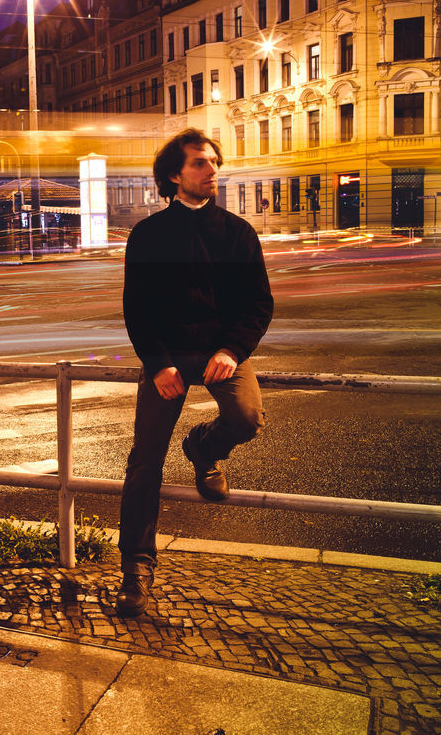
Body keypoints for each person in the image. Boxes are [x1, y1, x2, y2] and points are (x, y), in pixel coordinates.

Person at [116, 128, 274, 617]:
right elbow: (137, 309)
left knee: (246, 419)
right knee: (145, 463)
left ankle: (203, 447)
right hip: (167, 357)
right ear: (174, 175)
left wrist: (232, 349)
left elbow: (259, 304)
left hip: (221, 353)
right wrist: (159, 363)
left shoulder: (237, 232)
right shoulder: (149, 235)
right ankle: (136, 569)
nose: (212, 172)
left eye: (213, 163)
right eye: (201, 164)